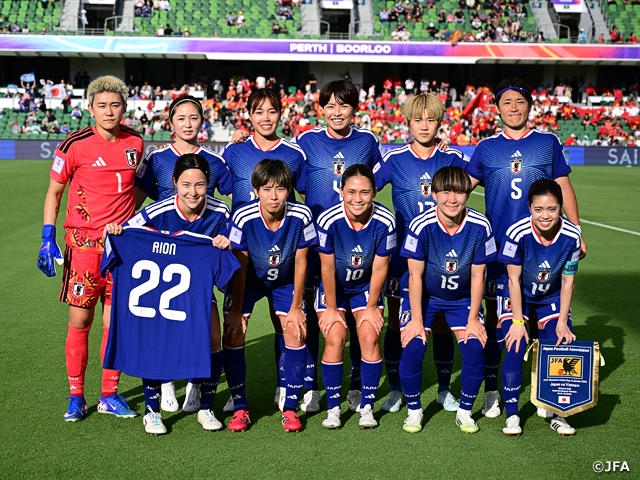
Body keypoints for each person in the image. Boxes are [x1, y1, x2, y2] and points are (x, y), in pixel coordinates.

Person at [466, 78, 585, 420]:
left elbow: (563, 186)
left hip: (543, 249)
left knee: (544, 321)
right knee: (497, 324)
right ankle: (493, 390)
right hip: (498, 252)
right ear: (497, 108)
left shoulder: (547, 143)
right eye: (506, 102)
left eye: (520, 101)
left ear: (530, 106)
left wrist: (576, 229)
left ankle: (547, 392)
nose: (513, 108)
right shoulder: (486, 147)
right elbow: (461, 187)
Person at [38, 75, 143, 422]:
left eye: (115, 105)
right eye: (102, 105)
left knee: (114, 324)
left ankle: (109, 395)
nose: (109, 111)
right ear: (90, 108)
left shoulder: (135, 142)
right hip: (83, 248)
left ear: (124, 108)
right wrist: (47, 236)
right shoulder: (74, 144)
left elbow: (134, 190)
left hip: (120, 250)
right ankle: (76, 397)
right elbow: (54, 192)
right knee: (80, 321)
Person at [104, 154, 232, 434]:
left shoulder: (221, 212)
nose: (193, 192)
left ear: (208, 184)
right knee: (155, 340)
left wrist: (227, 242)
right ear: (174, 183)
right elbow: (126, 234)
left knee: (213, 337)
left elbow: (234, 242)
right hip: (159, 297)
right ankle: (152, 411)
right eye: (186, 184)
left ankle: (206, 407)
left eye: (199, 185)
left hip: (197, 292)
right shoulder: (158, 210)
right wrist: (115, 231)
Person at [134, 94, 232, 413]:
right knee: (166, 323)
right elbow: (135, 202)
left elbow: (237, 197)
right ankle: (165, 381)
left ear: (202, 121)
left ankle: (195, 382)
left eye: (194, 118)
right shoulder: (157, 159)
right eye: (181, 118)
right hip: (164, 251)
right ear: (171, 122)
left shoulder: (214, 161)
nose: (188, 124)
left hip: (200, 252)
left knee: (203, 326)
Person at [374, 94, 469, 414]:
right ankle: (395, 389)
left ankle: (443, 389)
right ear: (408, 123)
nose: (424, 126)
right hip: (403, 256)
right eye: (418, 120)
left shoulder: (452, 157)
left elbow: (481, 176)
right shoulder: (395, 159)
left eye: (431, 120)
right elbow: (363, 188)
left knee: (440, 323)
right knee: (395, 322)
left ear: (440, 123)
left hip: (445, 256)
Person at [220, 89, 307, 412]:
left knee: (285, 324)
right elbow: (220, 188)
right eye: (259, 112)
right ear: (249, 115)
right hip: (245, 253)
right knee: (234, 327)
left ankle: (285, 388)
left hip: (282, 253)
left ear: (281, 114)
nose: (266, 118)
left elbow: (307, 195)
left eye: (272, 111)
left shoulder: (294, 153)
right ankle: (234, 394)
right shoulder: (234, 151)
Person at [399, 166, 496, 433]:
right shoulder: (420, 225)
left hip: (461, 298)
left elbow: (478, 276)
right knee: (413, 344)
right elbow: (415, 276)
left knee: (474, 346)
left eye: (459, 192)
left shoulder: (480, 225)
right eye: (445, 192)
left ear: (468, 194)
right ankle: (414, 410)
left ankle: (465, 411)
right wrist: (416, 320)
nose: (452, 199)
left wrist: (474, 318)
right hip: (425, 296)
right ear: (433, 194)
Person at [223, 160, 318, 432]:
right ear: (256, 191)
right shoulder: (243, 216)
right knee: (233, 332)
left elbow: (301, 261)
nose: (273, 196)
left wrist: (297, 306)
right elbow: (240, 265)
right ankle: (240, 407)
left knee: (295, 331)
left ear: (289, 190)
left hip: (285, 281)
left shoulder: (302, 215)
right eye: (266, 189)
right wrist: (236, 309)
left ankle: (290, 408)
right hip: (248, 281)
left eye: (280, 189)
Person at [497, 179, 581, 436]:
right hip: (517, 294)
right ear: (530, 208)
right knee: (515, 344)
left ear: (561, 207)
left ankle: (559, 412)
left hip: (550, 296)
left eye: (552, 209)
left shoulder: (572, 236)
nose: (545, 216)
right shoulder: (517, 233)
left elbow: (568, 281)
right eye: (539, 209)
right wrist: (518, 323)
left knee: (561, 345)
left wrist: (563, 322)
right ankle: (512, 415)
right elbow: (513, 280)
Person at [315, 164, 396, 429]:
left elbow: (381, 267)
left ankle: (367, 406)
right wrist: (331, 308)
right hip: (334, 288)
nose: (357, 199)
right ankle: (333, 409)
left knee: (370, 336)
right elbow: (327, 268)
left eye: (364, 192)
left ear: (375, 192)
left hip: (365, 287)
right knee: (336, 337)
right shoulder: (328, 220)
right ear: (341, 191)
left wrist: (372, 307)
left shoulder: (385, 221)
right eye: (351, 192)